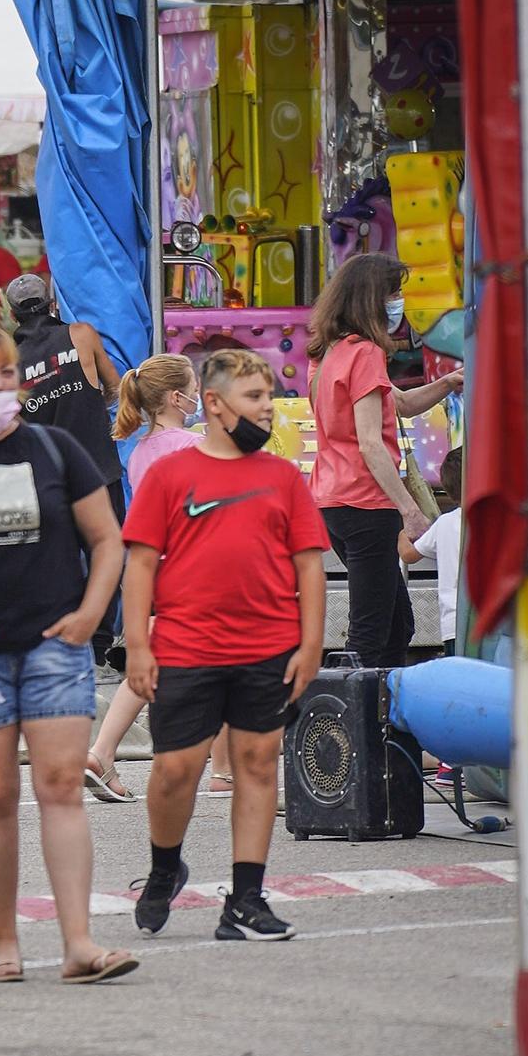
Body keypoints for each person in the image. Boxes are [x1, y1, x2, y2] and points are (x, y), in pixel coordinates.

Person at [0, 324, 135, 984]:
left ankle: (78, 943)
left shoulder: (55, 449)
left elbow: (108, 540)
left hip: (56, 648)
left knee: (60, 789)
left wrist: (89, 615)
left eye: (4, 375)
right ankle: (5, 946)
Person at [123, 348, 328, 941]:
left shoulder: (283, 477)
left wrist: (310, 644)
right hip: (186, 648)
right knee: (173, 771)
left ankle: (245, 900)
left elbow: (309, 566)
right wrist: (139, 645)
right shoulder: (167, 474)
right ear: (212, 404)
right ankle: (166, 866)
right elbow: (139, 565)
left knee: (258, 765)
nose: (267, 409)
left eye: (268, 397)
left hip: (268, 648)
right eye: (254, 398)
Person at [308, 254, 463, 670]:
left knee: (397, 627)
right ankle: (351, 726)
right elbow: (371, 443)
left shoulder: (330, 356)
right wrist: (409, 510)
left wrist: (447, 382)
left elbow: (403, 404)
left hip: (333, 503)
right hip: (366, 505)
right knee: (371, 631)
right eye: (393, 293)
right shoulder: (365, 355)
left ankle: (381, 717)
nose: (398, 302)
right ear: (372, 300)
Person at [84, 352, 210, 805]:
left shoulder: (139, 451)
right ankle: (229, 770)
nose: (199, 396)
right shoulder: (191, 447)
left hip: (153, 568)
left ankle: (103, 753)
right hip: (190, 568)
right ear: (177, 397)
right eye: (194, 388)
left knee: (154, 664)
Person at [6, 271, 126, 670]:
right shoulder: (82, 335)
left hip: (46, 475)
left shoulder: (9, 360)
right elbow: (113, 387)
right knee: (105, 552)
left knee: (54, 559)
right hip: (98, 467)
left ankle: (58, 638)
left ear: (12, 315)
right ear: (52, 304)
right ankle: (98, 643)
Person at [398, 443, 463, 657]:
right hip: (490, 622)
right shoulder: (494, 521)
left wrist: (402, 533)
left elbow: (408, 555)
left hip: (453, 623)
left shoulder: (444, 523)